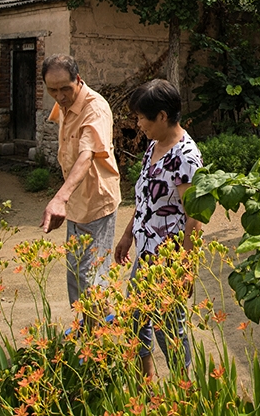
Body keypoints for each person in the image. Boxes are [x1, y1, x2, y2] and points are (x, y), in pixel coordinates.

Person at [115, 79, 203, 378]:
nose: (138, 124)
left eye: (142, 117)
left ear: (162, 116)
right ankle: (145, 380)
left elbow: (195, 217)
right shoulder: (154, 146)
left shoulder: (186, 157)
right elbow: (146, 197)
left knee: (169, 327)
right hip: (146, 251)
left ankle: (183, 387)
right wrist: (128, 233)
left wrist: (186, 268)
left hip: (169, 258)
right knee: (136, 318)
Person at [40, 54, 121, 306]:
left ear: (78, 80)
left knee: (93, 277)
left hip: (97, 202)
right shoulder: (62, 104)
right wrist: (66, 198)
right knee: (76, 275)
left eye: (65, 88)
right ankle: (87, 330)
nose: (60, 96)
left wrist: (59, 198)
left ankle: (101, 335)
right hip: (75, 203)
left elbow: (86, 155)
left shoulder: (95, 107)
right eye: (52, 90)